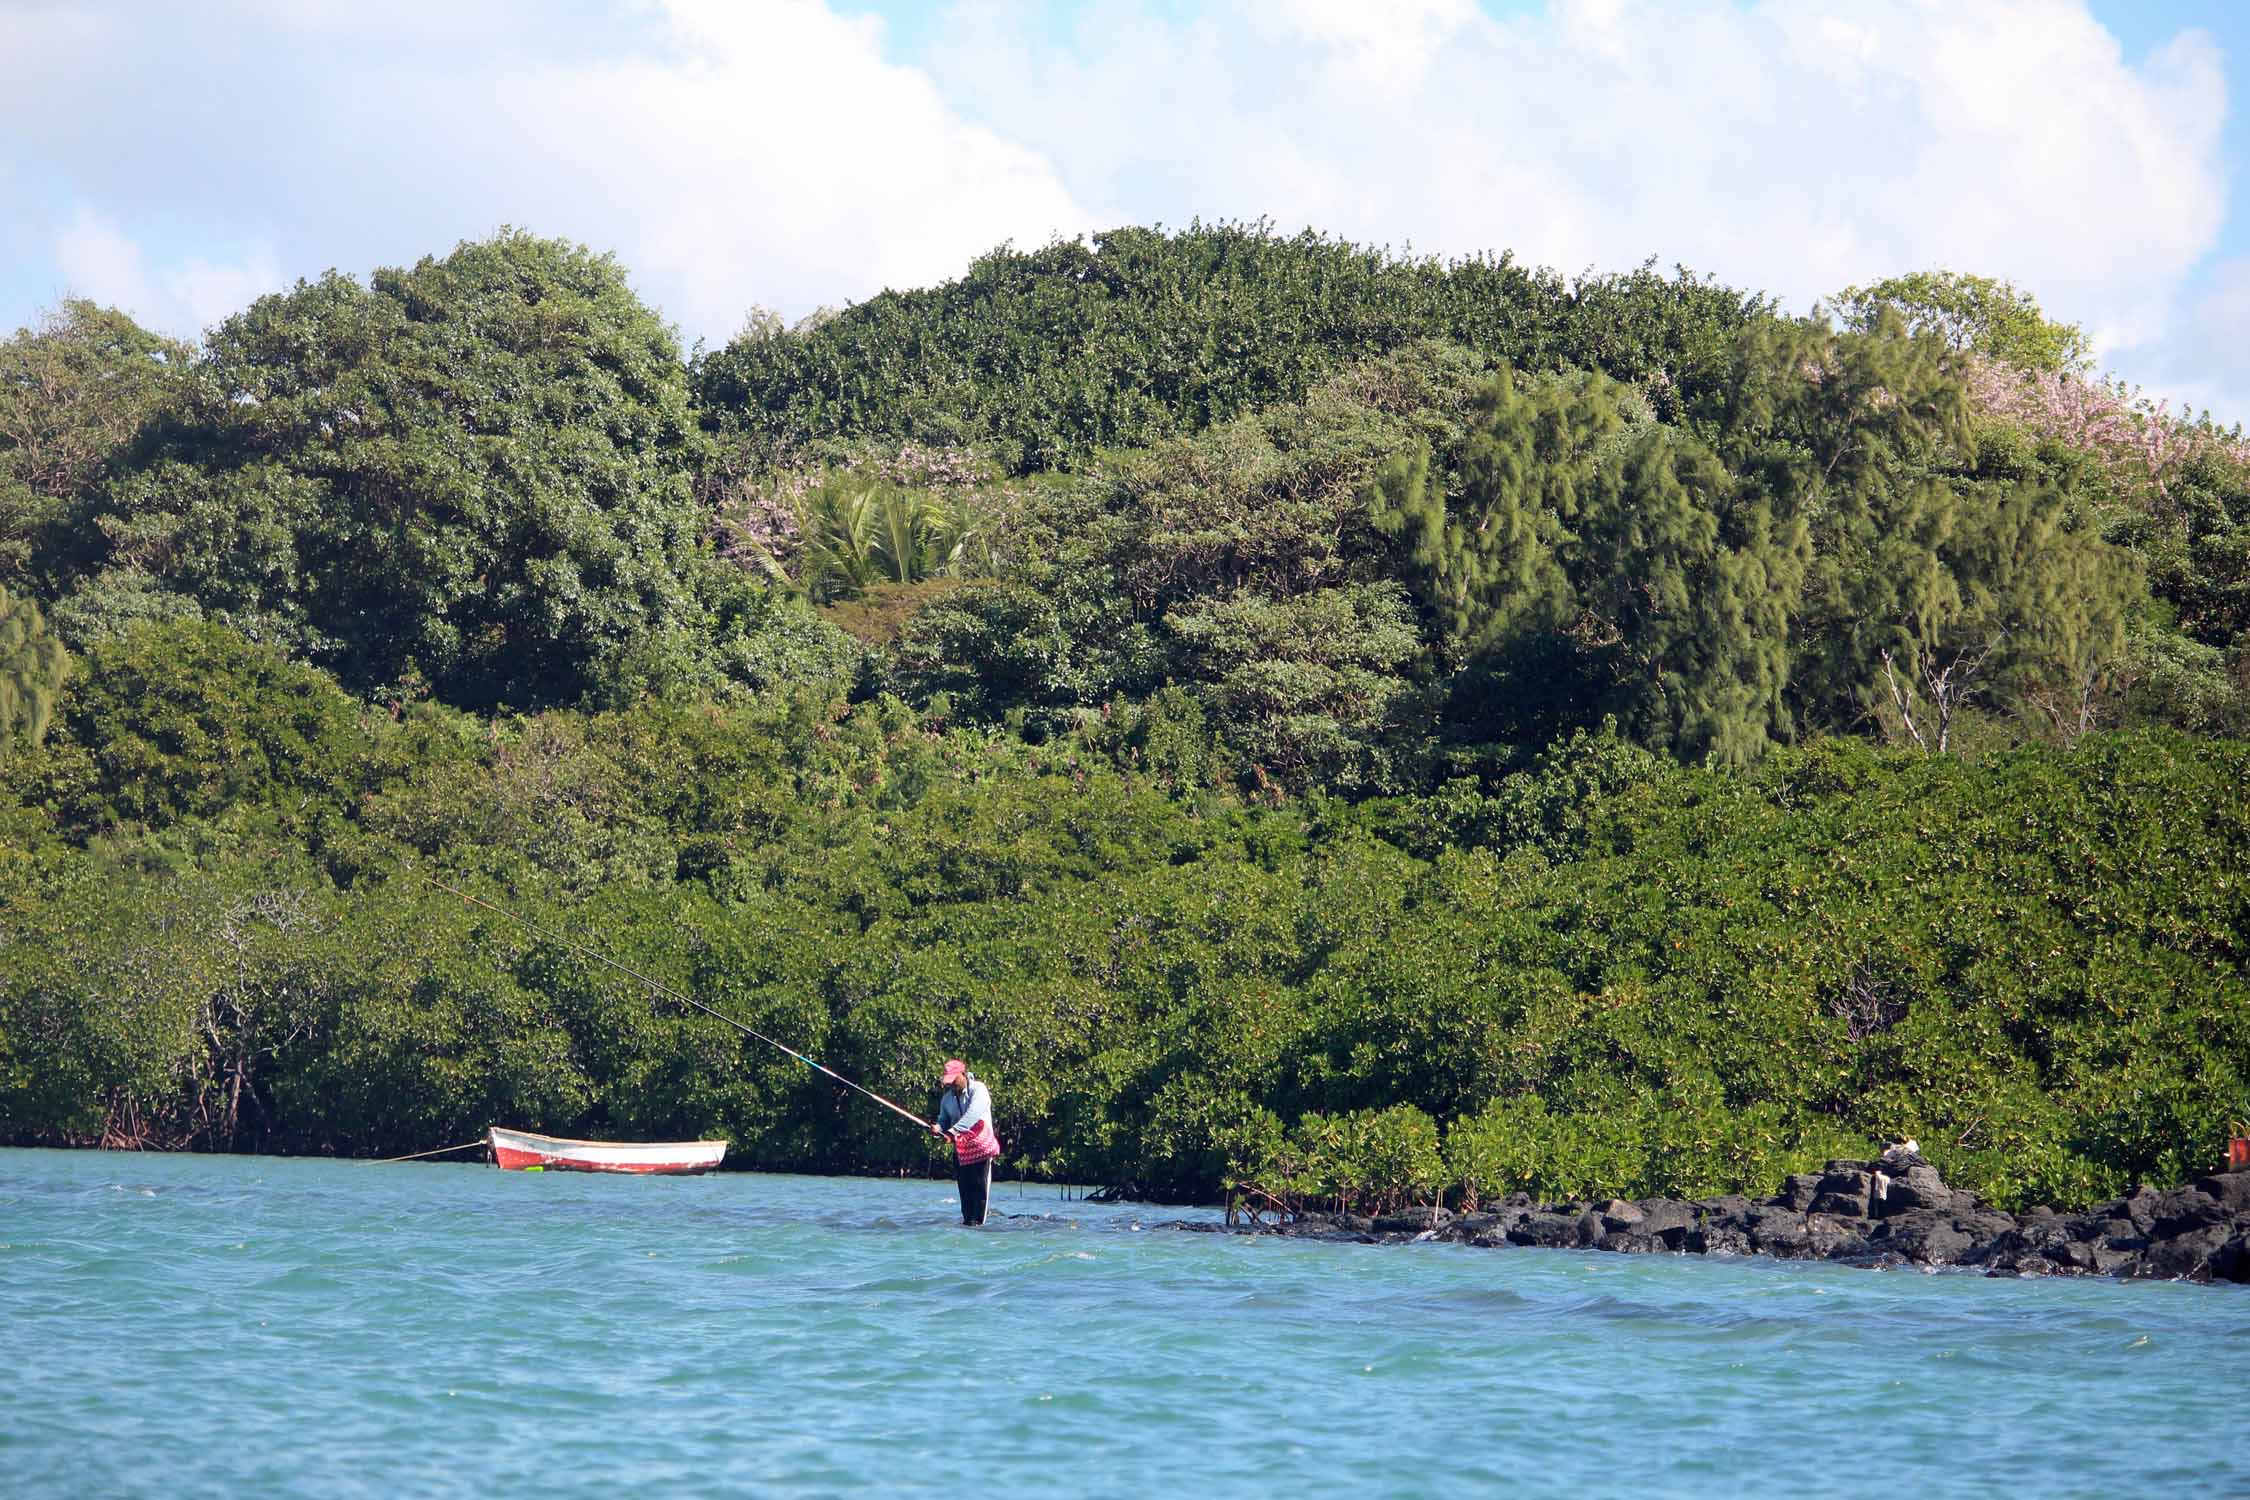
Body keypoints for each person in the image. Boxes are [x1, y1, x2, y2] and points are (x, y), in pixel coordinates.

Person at [933, 1058, 1001, 1226]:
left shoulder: (979, 1090)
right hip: (962, 1152)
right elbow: (943, 1120)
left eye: (954, 1080)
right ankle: (968, 1224)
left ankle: (978, 1226)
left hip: (980, 1151)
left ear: (963, 1074)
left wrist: (951, 1132)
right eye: (949, 1082)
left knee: (979, 1191)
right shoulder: (947, 1099)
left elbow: (973, 1114)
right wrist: (938, 1128)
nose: (951, 1085)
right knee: (965, 1194)